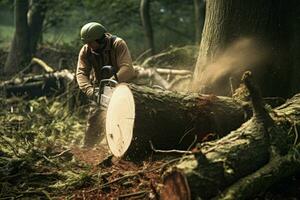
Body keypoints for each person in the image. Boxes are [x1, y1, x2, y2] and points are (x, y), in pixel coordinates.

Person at [76, 22, 136, 148]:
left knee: (127, 118)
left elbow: (127, 68)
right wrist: (89, 90)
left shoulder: (117, 44)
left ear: (101, 39)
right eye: (87, 43)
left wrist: (112, 83)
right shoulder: (86, 50)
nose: (89, 46)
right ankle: (88, 149)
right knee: (95, 119)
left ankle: (126, 145)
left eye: (91, 42)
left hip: (122, 85)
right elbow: (81, 73)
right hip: (100, 89)